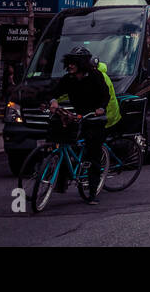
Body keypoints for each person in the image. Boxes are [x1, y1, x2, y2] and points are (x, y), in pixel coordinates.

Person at [42, 46, 110, 205]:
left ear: (82, 63)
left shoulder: (95, 76)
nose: (70, 66)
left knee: (93, 155)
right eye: (69, 62)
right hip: (79, 116)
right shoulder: (69, 79)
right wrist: (52, 100)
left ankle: (92, 193)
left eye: (74, 63)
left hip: (94, 118)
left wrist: (101, 108)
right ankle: (61, 182)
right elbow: (55, 91)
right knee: (63, 141)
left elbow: (105, 95)